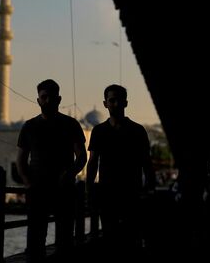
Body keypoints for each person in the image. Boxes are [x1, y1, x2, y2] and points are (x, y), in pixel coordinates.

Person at [16, 79, 87, 262]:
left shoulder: (71, 125)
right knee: (35, 240)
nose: (47, 101)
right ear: (38, 100)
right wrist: (28, 183)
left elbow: (81, 157)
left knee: (64, 239)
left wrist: (69, 173)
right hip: (38, 190)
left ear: (58, 99)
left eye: (51, 97)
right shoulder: (29, 127)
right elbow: (21, 159)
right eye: (43, 97)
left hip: (63, 190)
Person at [86, 84, 156, 256]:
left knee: (130, 237)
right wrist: (89, 190)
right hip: (107, 194)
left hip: (131, 194)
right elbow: (93, 162)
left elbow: (147, 163)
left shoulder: (138, 131)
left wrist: (149, 189)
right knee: (111, 236)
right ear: (105, 103)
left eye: (119, 100)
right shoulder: (98, 131)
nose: (115, 104)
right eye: (112, 100)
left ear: (125, 103)